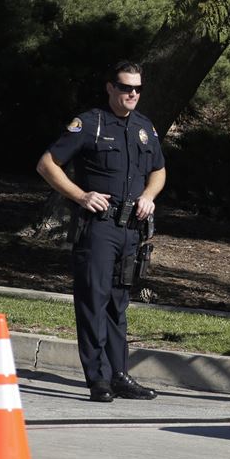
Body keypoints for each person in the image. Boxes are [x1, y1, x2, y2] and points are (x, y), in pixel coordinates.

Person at [36, 61, 166, 402]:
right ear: (110, 87)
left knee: (118, 304)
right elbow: (47, 164)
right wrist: (81, 196)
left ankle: (119, 374)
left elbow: (159, 171)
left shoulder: (144, 127)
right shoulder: (90, 124)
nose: (132, 94)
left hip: (130, 230)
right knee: (94, 301)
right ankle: (98, 379)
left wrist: (149, 196)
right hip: (99, 227)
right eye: (125, 88)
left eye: (138, 89)